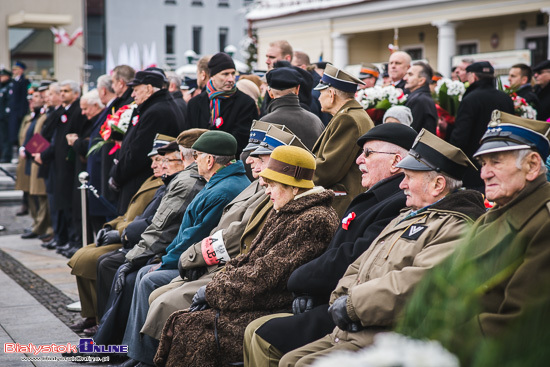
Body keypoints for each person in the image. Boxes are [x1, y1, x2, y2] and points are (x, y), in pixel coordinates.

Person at [280, 129, 486, 367]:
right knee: (289, 360)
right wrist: (340, 298)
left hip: (386, 335)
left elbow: (414, 283)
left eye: (409, 177)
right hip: (355, 325)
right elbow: (361, 262)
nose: (402, 184)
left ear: (438, 184)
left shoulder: (455, 225)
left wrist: (351, 305)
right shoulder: (408, 215)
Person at [120, 125, 305, 366]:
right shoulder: (256, 186)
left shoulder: (268, 192)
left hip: (227, 270)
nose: (249, 160)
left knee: (159, 294)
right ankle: (139, 355)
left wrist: (185, 259)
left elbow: (233, 238)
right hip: (219, 265)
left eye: (260, 156)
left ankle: (145, 359)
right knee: (153, 287)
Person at [243, 123, 417, 367]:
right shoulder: (375, 198)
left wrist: (302, 283)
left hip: (349, 308)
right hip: (330, 298)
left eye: (368, 153)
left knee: (264, 338)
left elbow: (353, 258)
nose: (358, 160)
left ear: (396, 161)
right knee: (253, 330)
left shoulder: (394, 203)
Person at [154, 145, 340, 367]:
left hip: (276, 303)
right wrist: (216, 285)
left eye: (271, 184)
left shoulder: (314, 220)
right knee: (186, 320)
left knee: (193, 327)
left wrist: (213, 291)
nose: (265, 187)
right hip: (254, 297)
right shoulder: (286, 207)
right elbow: (250, 258)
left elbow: (267, 275)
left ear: (294, 187)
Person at [397, 110, 550, 365]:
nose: (484, 174)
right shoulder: (493, 217)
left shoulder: (542, 224)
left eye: (496, 162)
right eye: (483, 164)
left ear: (533, 166)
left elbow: (513, 325)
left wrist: (430, 349)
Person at [92, 131, 250, 348]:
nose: (194, 161)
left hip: (200, 265)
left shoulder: (221, 190)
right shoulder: (217, 183)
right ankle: (130, 349)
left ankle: (141, 354)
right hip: (190, 259)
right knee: (140, 276)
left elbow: (193, 237)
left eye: (197, 156)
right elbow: (183, 233)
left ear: (210, 160)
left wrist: (164, 263)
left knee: (147, 279)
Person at [67, 135, 169, 336]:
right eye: (155, 160)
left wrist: (120, 233)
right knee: (82, 255)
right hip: (127, 230)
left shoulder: (165, 183)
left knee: (100, 261)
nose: (155, 164)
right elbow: (133, 213)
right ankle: (91, 314)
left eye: (161, 160)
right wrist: (109, 226)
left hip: (134, 237)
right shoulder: (152, 179)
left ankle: (102, 320)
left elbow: (151, 221)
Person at [109, 70, 181, 214]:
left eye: (136, 90)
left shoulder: (157, 112)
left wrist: (116, 175)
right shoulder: (156, 107)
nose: (132, 95)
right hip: (141, 181)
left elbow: (138, 153)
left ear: (148, 88)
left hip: (142, 182)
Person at [312, 63, 374, 217]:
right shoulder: (350, 115)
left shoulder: (347, 118)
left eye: (321, 92)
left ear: (331, 94)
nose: (319, 97)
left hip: (342, 204)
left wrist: (296, 177)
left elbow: (327, 169)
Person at [449, 61, 514, 191]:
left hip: (474, 166)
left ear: (473, 76)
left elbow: (460, 137)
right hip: (501, 161)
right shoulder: (505, 98)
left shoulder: (470, 99)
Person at [186, 52, 259, 155]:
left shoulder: (246, 103)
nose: (230, 79)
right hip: (199, 163)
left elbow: (242, 140)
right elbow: (189, 137)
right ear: (212, 76)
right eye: (225, 74)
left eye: (233, 73)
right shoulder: (195, 103)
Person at [262, 67, 324, 149]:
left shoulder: (265, 122)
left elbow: (248, 157)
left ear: (270, 93)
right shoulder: (316, 121)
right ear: (297, 89)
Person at [403, 61, 437, 133]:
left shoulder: (419, 100)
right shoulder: (421, 97)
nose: (405, 78)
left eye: (410, 74)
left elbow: (411, 131)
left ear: (421, 81)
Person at [6, 61, 30, 163]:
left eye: (16, 69)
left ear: (21, 70)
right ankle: (15, 153)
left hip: (20, 113)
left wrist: (22, 113)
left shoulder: (24, 81)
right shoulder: (13, 81)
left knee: (20, 133)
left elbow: (24, 99)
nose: (14, 71)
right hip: (13, 113)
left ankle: (19, 153)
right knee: (13, 133)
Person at [0, 69, 13, 162]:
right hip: (1, 116)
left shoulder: (10, 86)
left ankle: (6, 156)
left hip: (6, 117)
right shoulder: (2, 87)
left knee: (6, 137)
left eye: (2, 76)